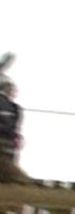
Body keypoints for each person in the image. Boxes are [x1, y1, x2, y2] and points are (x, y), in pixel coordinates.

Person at [0, 53, 29, 183]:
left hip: (8, 149)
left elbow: (14, 128)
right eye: (10, 89)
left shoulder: (15, 109)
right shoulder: (7, 106)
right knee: (18, 180)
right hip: (4, 150)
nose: (13, 92)